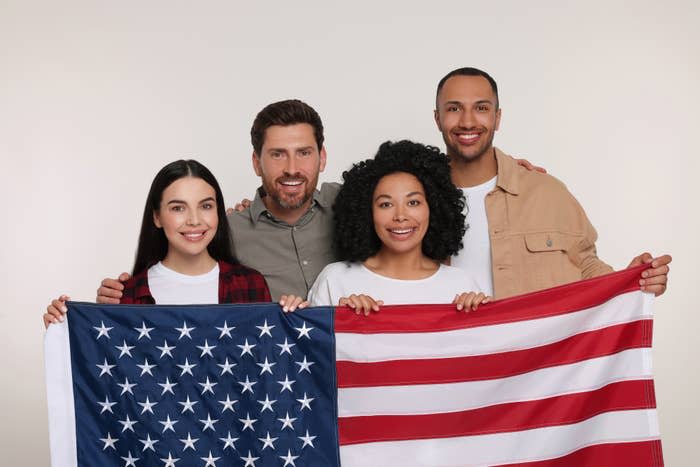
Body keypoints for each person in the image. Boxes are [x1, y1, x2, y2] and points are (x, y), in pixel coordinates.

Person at [434, 67, 671, 298]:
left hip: (531, 339)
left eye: (481, 108)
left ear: (497, 118)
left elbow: (586, 267)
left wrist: (631, 281)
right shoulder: (416, 202)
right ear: (437, 118)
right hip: (451, 338)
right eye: (454, 108)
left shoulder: (547, 193)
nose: (467, 122)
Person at [43, 159, 286, 327]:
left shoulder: (250, 285)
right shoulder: (128, 296)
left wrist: (295, 316)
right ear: (157, 217)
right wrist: (63, 328)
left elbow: (268, 363)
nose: (194, 220)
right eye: (178, 208)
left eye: (206, 206)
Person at [307, 140, 488, 314]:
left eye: (413, 202)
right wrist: (344, 320)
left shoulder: (461, 285)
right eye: (386, 204)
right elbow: (311, 344)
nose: (400, 216)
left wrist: (479, 316)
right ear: (367, 212)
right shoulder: (336, 280)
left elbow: (487, 343)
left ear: (433, 208)